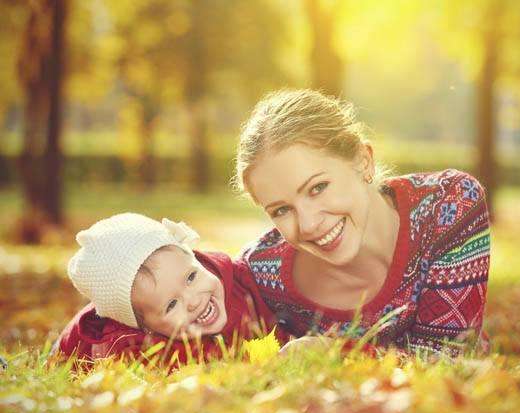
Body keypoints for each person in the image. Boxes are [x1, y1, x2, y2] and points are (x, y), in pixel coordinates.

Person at [235, 89, 491, 356]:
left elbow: (446, 361)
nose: (308, 225)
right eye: (281, 210)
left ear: (363, 161)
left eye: (317, 187)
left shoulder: (447, 205)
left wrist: (334, 352)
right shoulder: (258, 273)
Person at [56, 213, 282, 366]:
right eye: (171, 304)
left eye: (191, 277)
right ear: (145, 328)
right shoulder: (139, 348)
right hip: (79, 349)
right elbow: (214, 366)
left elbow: (277, 311)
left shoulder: (235, 281)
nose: (193, 301)